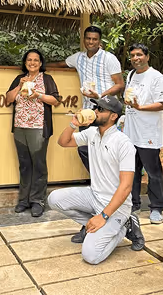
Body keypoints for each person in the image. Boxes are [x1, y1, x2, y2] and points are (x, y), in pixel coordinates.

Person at [47, 25, 124, 241]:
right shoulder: (78, 58)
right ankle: (98, 197)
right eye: (88, 39)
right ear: (84, 39)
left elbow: (119, 84)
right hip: (86, 115)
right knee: (84, 150)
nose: (91, 42)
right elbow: (62, 63)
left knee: (107, 153)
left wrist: (101, 95)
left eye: (94, 39)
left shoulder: (109, 58)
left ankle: (111, 200)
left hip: (105, 113)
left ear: (100, 41)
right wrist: (42, 66)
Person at [48, 96, 145, 265]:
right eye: (95, 108)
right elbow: (63, 142)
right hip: (94, 196)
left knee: (91, 256)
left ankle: (124, 226)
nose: (95, 112)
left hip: (116, 207)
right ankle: (93, 225)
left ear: (113, 116)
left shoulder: (123, 143)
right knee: (54, 199)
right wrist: (73, 124)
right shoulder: (92, 133)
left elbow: (126, 186)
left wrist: (103, 216)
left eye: (100, 109)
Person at [6, 49, 60, 217]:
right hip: (20, 126)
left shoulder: (47, 79)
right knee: (24, 164)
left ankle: (37, 201)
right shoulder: (18, 79)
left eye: (36, 60)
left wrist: (38, 95)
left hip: (38, 126)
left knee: (38, 164)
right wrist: (20, 85)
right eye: (29, 60)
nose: (32, 62)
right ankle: (24, 200)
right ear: (25, 62)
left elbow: (55, 100)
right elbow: (8, 99)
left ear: (40, 63)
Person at [123, 43, 163, 224]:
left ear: (147, 57)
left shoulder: (157, 77)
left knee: (153, 172)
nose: (136, 58)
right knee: (131, 171)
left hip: (148, 133)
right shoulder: (131, 75)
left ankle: (157, 207)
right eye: (133, 55)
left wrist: (140, 107)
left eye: (139, 55)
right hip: (130, 133)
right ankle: (133, 203)